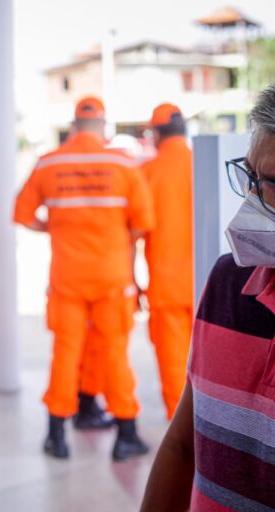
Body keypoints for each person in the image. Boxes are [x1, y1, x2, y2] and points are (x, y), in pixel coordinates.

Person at [141, 84, 275, 512]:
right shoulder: (227, 278)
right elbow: (186, 443)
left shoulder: (144, 169)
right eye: (248, 177)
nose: (251, 202)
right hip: (192, 293)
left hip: (155, 286)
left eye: (269, 183)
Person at [13, 96, 155, 460]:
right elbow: (142, 224)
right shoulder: (121, 162)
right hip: (111, 277)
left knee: (64, 353)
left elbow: (22, 214)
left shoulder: (50, 162)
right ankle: (126, 435)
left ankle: (56, 435)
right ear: (103, 126)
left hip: (67, 276)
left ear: (74, 126)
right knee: (115, 354)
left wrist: (53, 228)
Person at [142, 103, 194, 420]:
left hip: (166, 287)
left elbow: (131, 231)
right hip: (207, 283)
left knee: (174, 365)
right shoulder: (206, 164)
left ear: (157, 134)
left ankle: (182, 432)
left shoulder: (147, 172)